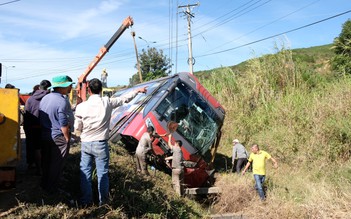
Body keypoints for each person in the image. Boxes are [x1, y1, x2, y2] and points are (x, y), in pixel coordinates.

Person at [74, 78, 146, 206]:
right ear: (101, 90)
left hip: (86, 144)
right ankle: (104, 203)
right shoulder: (107, 102)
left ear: (89, 90)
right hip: (101, 144)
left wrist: (79, 133)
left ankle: (86, 201)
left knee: (85, 172)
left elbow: (77, 127)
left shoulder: (81, 107)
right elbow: (124, 99)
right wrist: (137, 91)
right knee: (103, 174)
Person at [39, 75, 75, 194]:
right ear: (63, 87)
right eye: (70, 85)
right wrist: (67, 138)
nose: (71, 87)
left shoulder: (45, 98)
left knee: (47, 161)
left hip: (45, 134)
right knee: (57, 163)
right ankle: (53, 189)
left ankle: (44, 184)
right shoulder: (62, 100)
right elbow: (63, 122)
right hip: (58, 136)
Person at [23, 80, 51, 175]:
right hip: (47, 127)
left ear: (39, 87)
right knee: (46, 148)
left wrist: (27, 129)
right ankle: (46, 168)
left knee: (36, 148)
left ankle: (39, 169)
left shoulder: (30, 99)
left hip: (33, 128)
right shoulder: (49, 98)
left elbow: (26, 115)